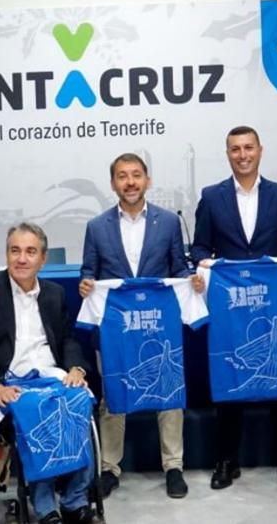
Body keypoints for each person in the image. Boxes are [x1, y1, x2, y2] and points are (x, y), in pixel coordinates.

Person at [190, 126, 277, 491]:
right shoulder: (211, 197)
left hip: (274, 305)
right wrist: (203, 269)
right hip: (230, 306)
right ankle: (227, 460)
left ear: (260, 150)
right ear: (227, 153)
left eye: (249, 148)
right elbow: (199, 248)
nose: (243, 155)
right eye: (235, 149)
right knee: (231, 377)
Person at [0, 223, 96, 524]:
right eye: (15, 250)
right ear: (7, 254)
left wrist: (75, 368)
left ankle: (75, 499)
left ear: (43, 259)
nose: (21, 258)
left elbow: (68, 338)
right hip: (9, 378)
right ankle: (44, 505)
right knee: (35, 409)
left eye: (30, 252)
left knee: (81, 399)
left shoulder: (54, 294)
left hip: (50, 374)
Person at [78, 152, 197, 499]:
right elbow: (90, 271)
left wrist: (191, 281)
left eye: (136, 175)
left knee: (169, 392)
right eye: (122, 176)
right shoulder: (96, 226)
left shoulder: (169, 222)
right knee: (112, 397)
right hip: (116, 328)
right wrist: (87, 284)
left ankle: (173, 466)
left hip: (159, 327)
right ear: (113, 183)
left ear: (147, 180)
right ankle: (109, 469)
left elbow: (178, 271)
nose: (129, 182)